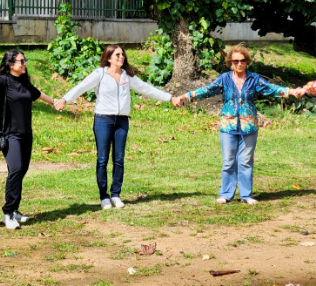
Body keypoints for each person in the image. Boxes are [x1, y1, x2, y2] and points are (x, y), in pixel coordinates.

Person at [172, 45, 295, 204]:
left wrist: (291, 92)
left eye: (242, 60)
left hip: (248, 126)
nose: (239, 64)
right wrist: (185, 97)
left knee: (245, 161)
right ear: (230, 62)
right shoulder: (224, 79)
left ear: (247, 62)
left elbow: (272, 89)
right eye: (235, 61)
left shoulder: (254, 79)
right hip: (228, 126)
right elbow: (206, 90)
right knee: (229, 161)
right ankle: (226, 194)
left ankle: (246, 195)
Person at [57, 44, 174, 209]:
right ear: (109, 57)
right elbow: (81, 87)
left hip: (122, 121)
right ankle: (104, 197)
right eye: (117, 54)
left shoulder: (128, 76)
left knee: (119, 159)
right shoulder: (100, 74)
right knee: (102, 159)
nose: (121, 57)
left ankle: (116, 194)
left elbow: (147, 89)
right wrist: (64, 99)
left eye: (123, 54)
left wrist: (170, 98)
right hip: (103, 120)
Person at [0, 50, 64, 230]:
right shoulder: (3, 81)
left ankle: (15, 210)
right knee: (15, 169)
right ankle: (8, 213)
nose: (24, 63)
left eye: (25, 60)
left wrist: (54, 102)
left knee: (21, 171)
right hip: (10, 135)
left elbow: (38, 94)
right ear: (10, 64)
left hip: (26, 134)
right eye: (21, 61)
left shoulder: (24, 83)